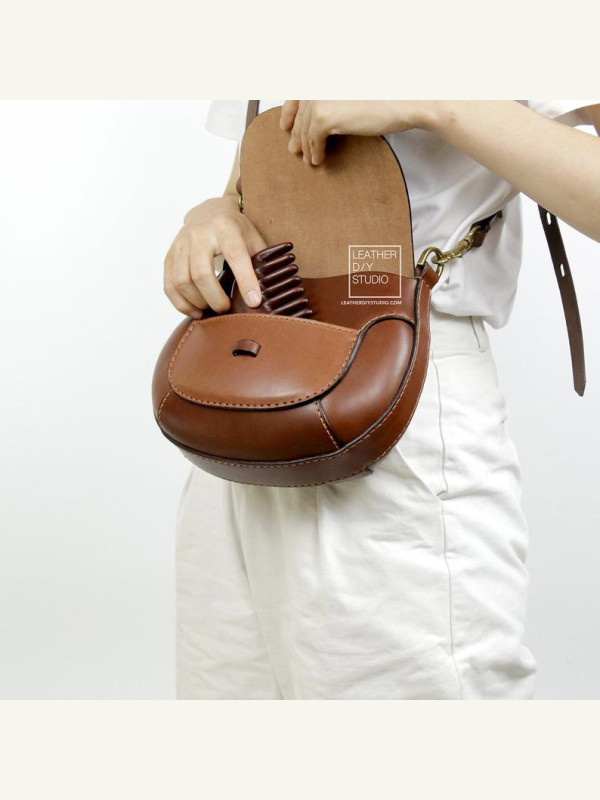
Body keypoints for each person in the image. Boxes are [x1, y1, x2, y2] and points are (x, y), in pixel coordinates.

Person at [164, 100, 600, 699]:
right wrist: (214, 214)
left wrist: (433, 101)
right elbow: (261, 176)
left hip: (399, 406)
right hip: (243, 408)